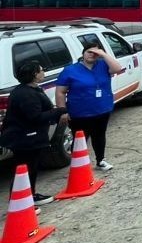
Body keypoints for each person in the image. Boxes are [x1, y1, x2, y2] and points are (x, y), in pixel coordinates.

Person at [0, 61, 68, 206]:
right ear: (34, 74)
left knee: (31, 168)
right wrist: (59, 111)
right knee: (24, 170)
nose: (43, 72)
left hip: (31, 137)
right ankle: (20, 202)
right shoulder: (25, 94)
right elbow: (35, 117)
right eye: (41, 70)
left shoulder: (32, 89)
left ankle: (30, 195)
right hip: (24, 138)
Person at [55, 41, 124, 171]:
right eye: (89, 52)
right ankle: (79, 165)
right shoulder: (70, 70)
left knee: (99, 136)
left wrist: (103, 54)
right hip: (80, 113)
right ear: (83, 53)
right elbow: (60, 92)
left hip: (102, 109)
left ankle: (100, 160)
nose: (92, 55)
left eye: (95, 53)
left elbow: (117, 68)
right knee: (80, 139)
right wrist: (62, 111)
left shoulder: (103, 65)